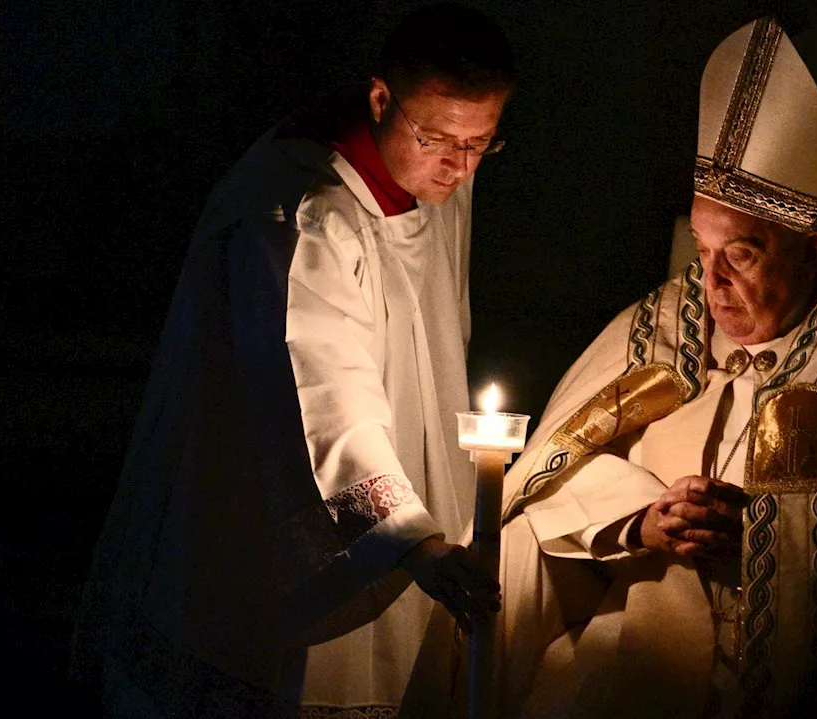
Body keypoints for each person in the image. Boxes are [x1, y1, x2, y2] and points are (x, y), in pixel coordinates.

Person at [402, 17, 817, 718]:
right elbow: (549, 483)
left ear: (810, 252)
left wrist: (767, 543)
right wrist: (641, 517)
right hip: (644, 653)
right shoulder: (666, 323)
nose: (709, 284)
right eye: (701, 247)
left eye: (740, 254)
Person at [72, 4, 514, 717]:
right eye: (438, 139)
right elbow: (323, 396)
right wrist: (414, 542)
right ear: (380, 99)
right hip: (275, 511)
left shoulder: (440, 169)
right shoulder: (304, 215)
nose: (458, 168)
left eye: (481, 144)